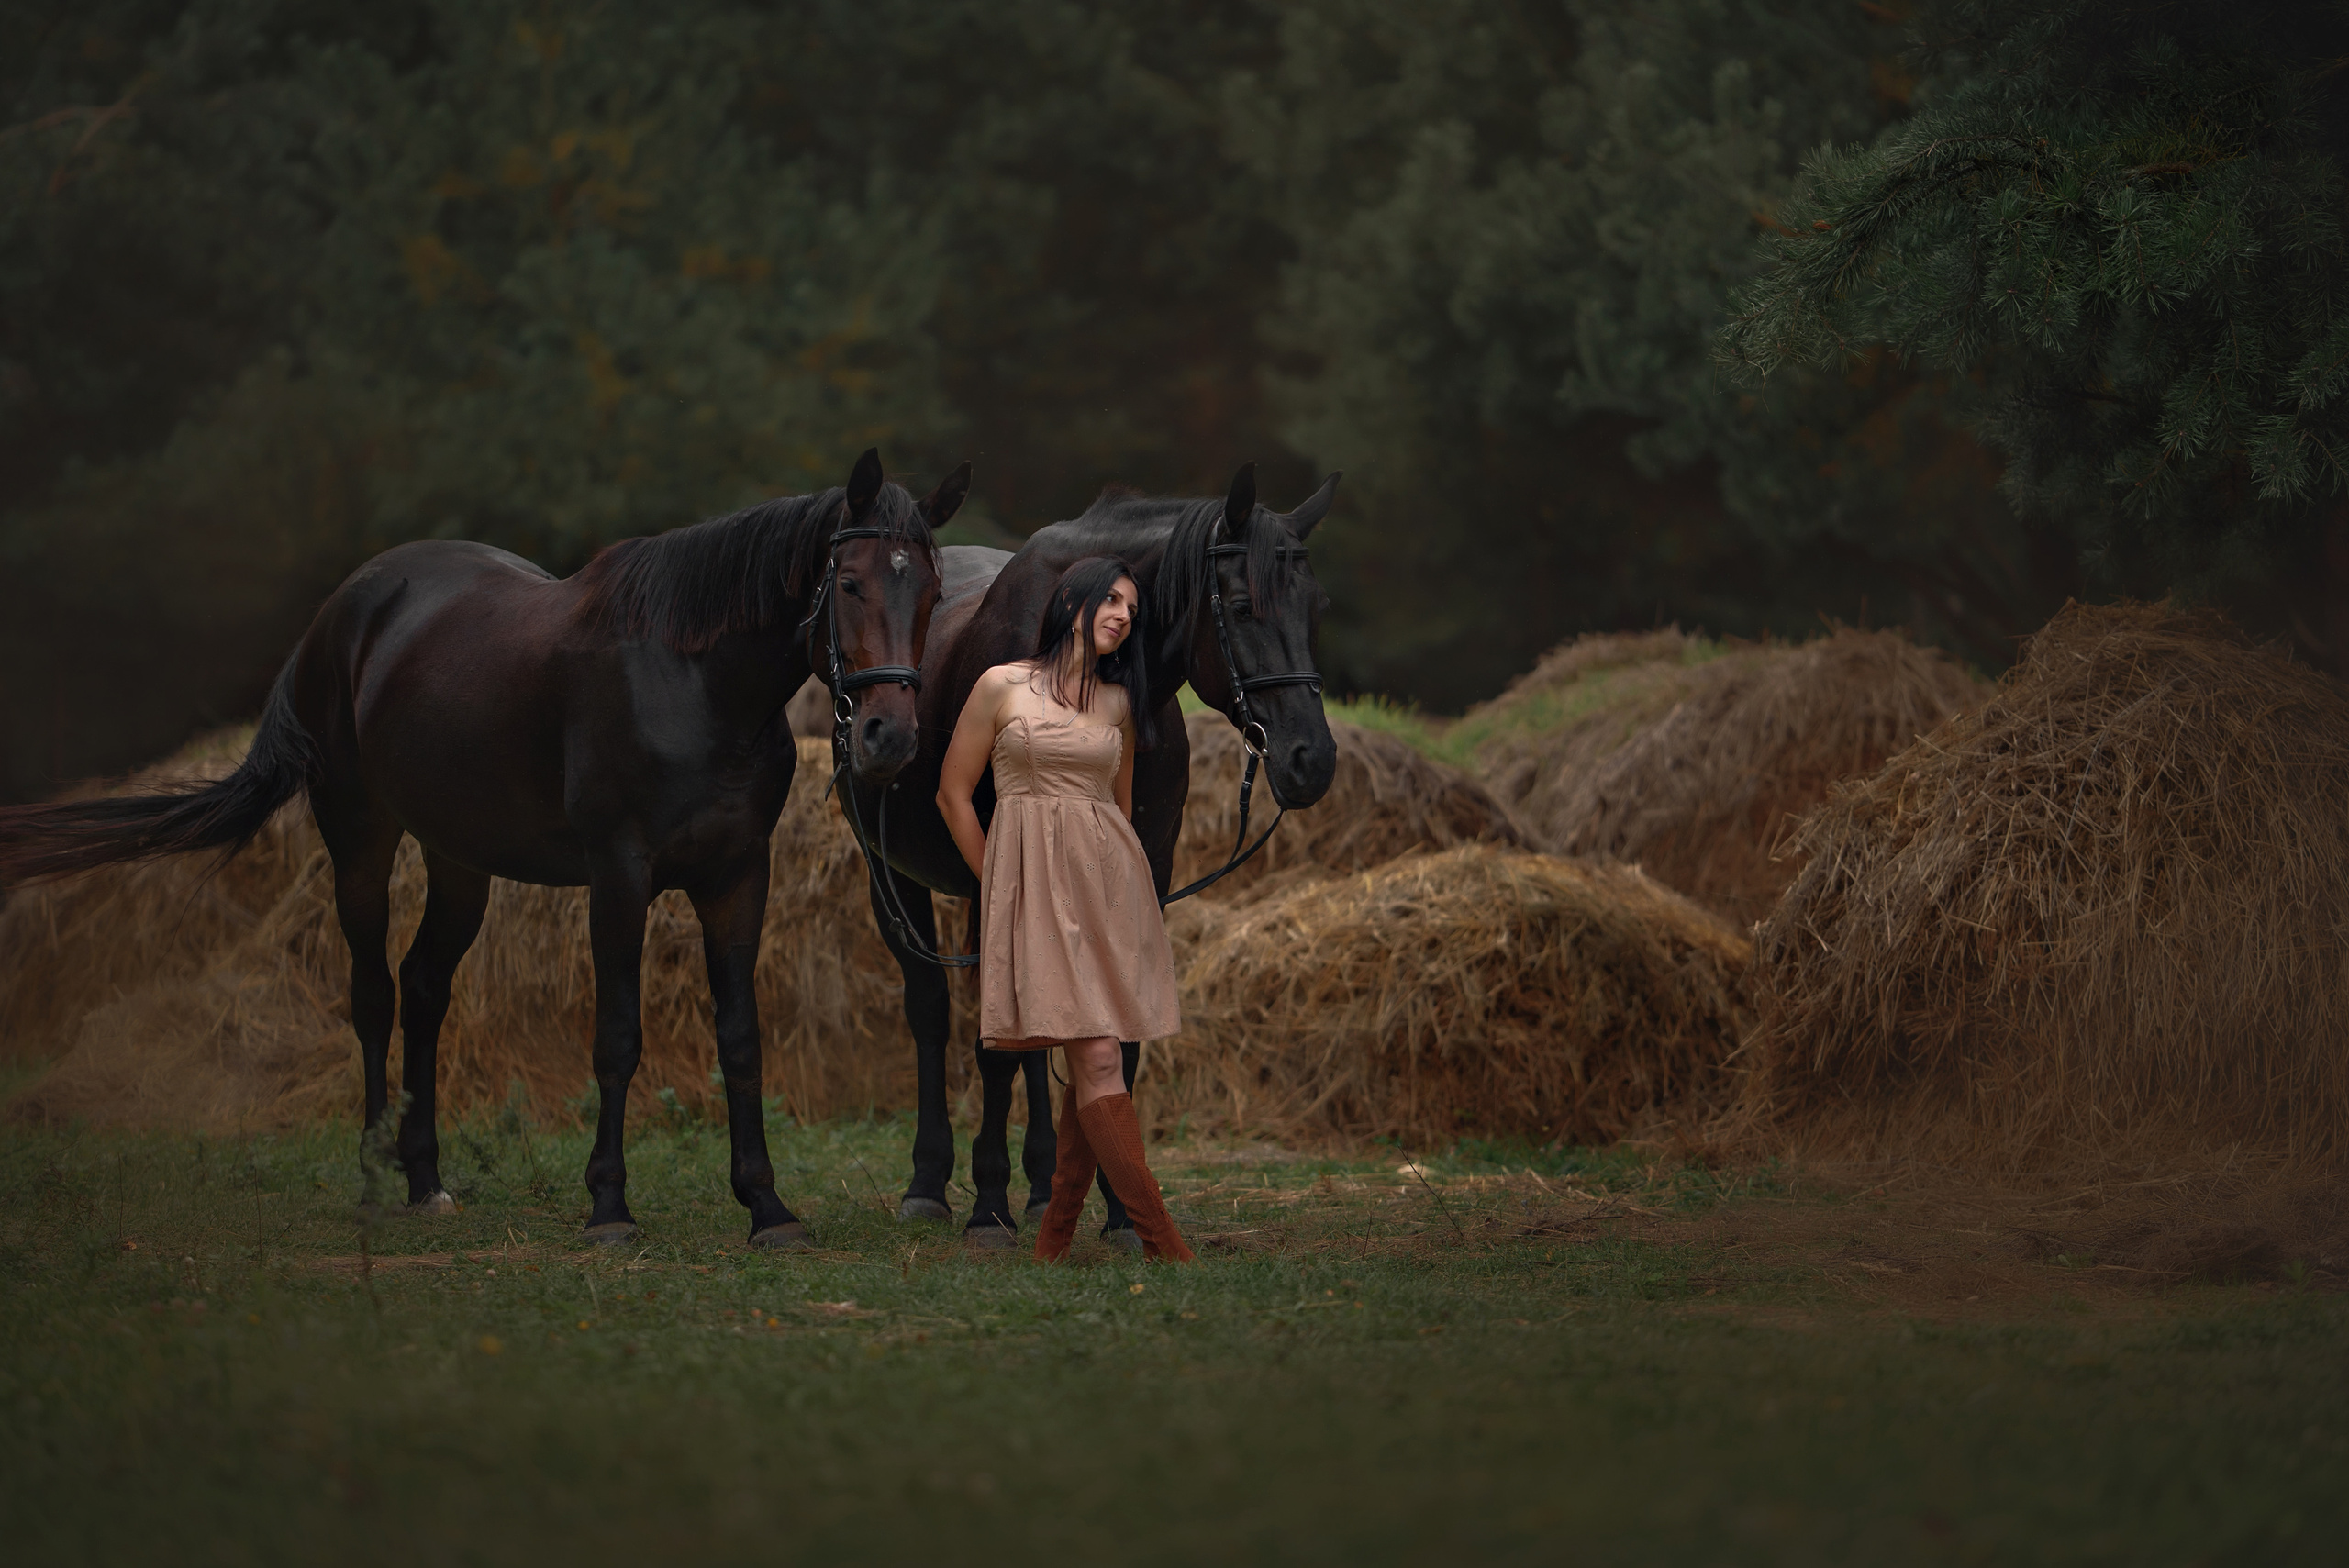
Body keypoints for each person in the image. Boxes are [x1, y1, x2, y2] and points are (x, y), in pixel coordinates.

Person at [935, 556, 1193, 1262]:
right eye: (1110, 599)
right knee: (1100, 1054)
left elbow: (1122, 806)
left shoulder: (1117, 703)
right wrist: (999, 885)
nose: (1121, 615)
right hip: (1029, 888)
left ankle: (1051, 1243)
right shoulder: (1001, 686)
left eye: (1131, 609)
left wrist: (1128, 890)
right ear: (1072, 599)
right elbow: (954, 795)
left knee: (1096, 1057)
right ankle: (1166, 1246)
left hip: (1108, 888)